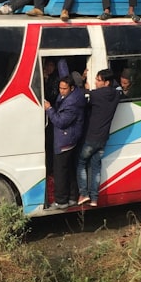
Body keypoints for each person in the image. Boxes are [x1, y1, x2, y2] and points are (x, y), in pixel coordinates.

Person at [77, 69, 120, 207]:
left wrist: (85, 88)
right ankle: (94, 198)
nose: (95, 81)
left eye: (98, 80)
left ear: (106, 82)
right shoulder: (116, 94)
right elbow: (119, 88)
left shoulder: (96, 94)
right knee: (96, 166)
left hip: (92, 137)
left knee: (81, 162)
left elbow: (81, 96)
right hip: (103, 139)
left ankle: (83, 194)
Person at [44, 76, 86, 209]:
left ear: (71, 88)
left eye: (64, 89)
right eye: (60, 88)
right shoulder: (73, 94)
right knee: (69, 170)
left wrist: (49, 109)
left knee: (60, 171)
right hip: (70, 140)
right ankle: (73, 197)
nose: (61, 91)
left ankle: (61, 201)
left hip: (65, 141)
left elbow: (60, 122)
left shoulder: (71, 103)